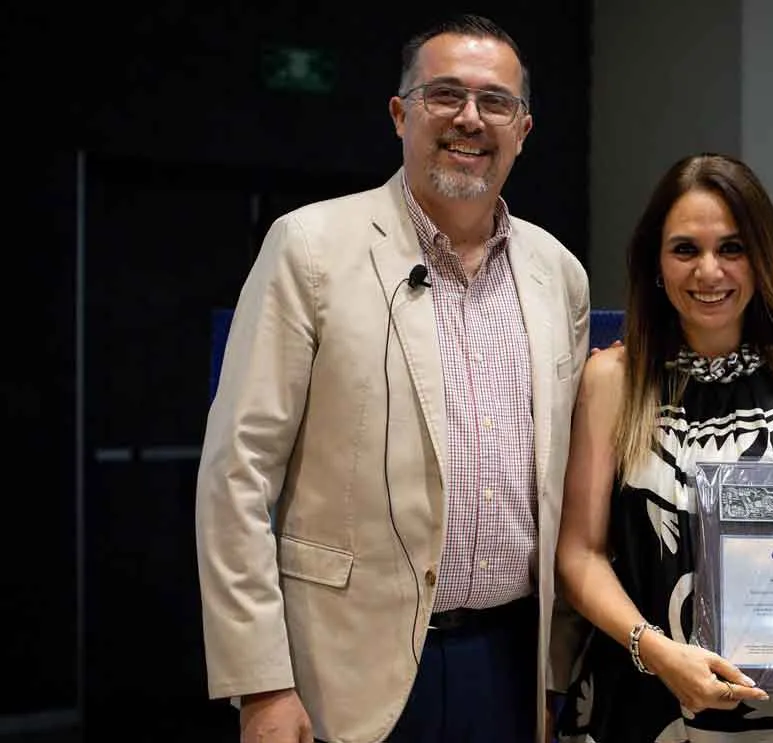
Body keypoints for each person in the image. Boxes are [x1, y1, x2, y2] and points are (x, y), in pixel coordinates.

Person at [194, 14, 589, 743]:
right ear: (400, 114)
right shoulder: (309, 247)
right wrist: (264, 682)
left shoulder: (557, 274)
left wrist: (554, 672)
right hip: (341, 671)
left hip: (507, 665)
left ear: (524, 129)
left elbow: (562, 492)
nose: (470, 118)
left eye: (495, 102)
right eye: (445, 94)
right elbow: (236, 475)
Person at [555, 153, 773, 743]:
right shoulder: (613, 379)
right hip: (648, 697)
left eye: (732, 248)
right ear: (656, 263)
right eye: (685, 249)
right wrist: (653, 650)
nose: (709, 272)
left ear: (763, 259)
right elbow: (581, 553)